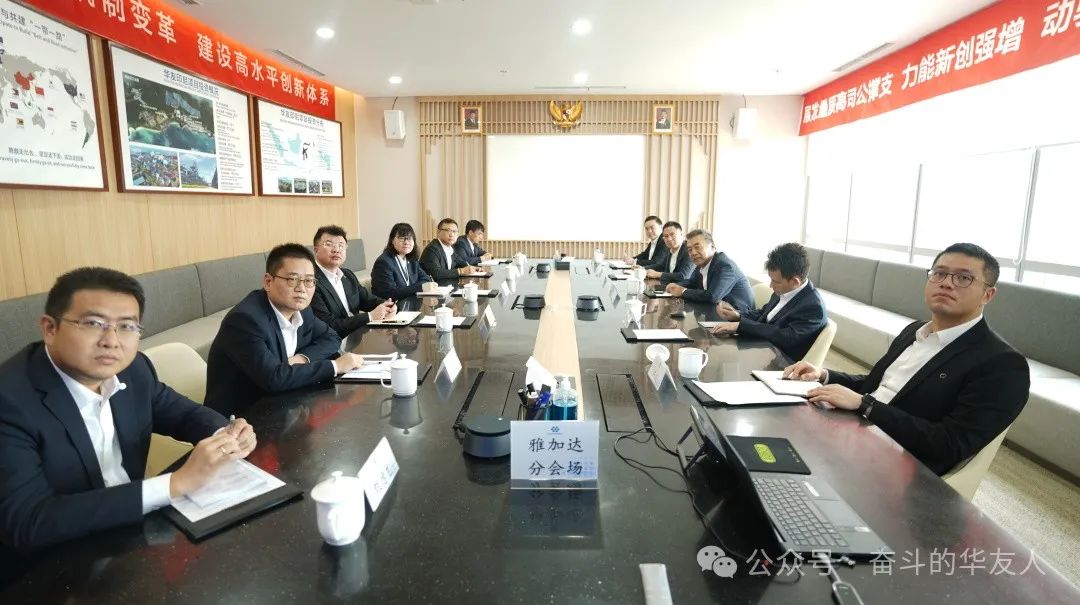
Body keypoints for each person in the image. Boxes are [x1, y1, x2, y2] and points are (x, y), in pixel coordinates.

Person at [0, 267, 256, 552]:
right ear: (50, 328)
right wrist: (176, 483)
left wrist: (226, 434)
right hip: (56, 558)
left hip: (134, 532)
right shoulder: (9, 401)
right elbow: (29, 521)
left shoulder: (133, 369)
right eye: (93, 323)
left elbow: (182, 414)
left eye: (127, 326)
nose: (111, 341)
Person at [785, 243, 1030, 476]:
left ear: (988, 294)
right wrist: (825, 375)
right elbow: (880, 385)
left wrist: (866, 405)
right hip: (854, 433)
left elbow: (949, 444)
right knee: (780, 428)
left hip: (897, 468)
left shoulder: (1002, 365)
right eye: (939, 273)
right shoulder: (915, 331)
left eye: (963, 278)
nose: (946, 283)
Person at [205, 244, 364, 416]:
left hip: (284, 406)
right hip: (240, 418)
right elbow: (274, 378)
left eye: (309, 281)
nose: (301, 289)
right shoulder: (245, 320)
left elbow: (331, 337)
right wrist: (335, 366)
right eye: (292, 279)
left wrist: (302, 359)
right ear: (268, 282)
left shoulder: (302, 310)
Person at [711, 243, 827, 362]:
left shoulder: (813, 307)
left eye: (775, 281)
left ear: (795, 282)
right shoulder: (784, 290)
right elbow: (763, 314)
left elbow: (784, 337)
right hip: (763, 349)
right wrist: (738, 316)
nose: (771, 285)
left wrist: (740, 326)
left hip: (782, 362)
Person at [309, 225, 397, 338]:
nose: (336, 250)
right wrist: (370, 316)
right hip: (333, 342)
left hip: (356, 338)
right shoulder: (310, 281)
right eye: (329, 244)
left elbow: (367, 301)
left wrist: (388, 305)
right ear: (316, 250)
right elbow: (329, 325)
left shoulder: (348, 275)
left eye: (341, 245)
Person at [664, 229, 753, 311]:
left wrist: (682, 291)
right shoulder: (702, 263)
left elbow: (713, 296)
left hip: (738, 315)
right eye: (690, 249)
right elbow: (692, 282)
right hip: (714, 311)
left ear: (713, 246)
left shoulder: (725, 266)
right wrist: (675, 286)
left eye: (697, 247)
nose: (693, 253)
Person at [371, 223, 435, 300]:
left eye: (410, 238)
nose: (406, 242)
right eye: (401, 238)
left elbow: (427, 279)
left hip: (410, 302)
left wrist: (416, 287)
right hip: (392, 306)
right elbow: (390, 293)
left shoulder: (412, 260)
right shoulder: (384, 262)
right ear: (392, 240)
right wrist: (420, 287)